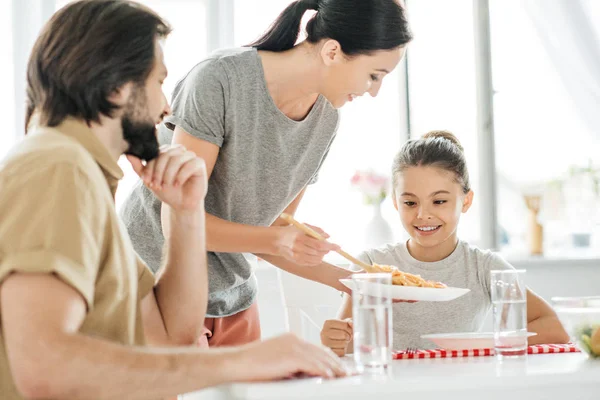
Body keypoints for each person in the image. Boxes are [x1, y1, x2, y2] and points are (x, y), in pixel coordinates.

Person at [0, 2, 347, 399]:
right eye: (158, 82)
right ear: (118, 86)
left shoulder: (85, 177)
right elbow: (44, 366)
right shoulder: (57, 166)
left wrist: (185, 212)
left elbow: (173, 335)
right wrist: (244, 361)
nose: (166, 107)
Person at [121, 0, 413, 348]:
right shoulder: (220, 80)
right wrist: (280, 240)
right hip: (156, 286)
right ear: (333, 51)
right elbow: (182, 220)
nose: (374, 91)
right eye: (374, 76)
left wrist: (358, 282)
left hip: (234, 300)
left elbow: (273, 232)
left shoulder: (326, 120)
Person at [320, 130, 569, 355]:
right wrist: (336, 340)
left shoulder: (484, 267)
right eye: (410, 203)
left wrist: (478, 345)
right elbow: (348, 341)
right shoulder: (371, 265)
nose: (422, 215)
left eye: (439, 201)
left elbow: (554, 328)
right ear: (396, 202)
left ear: (466, 201)